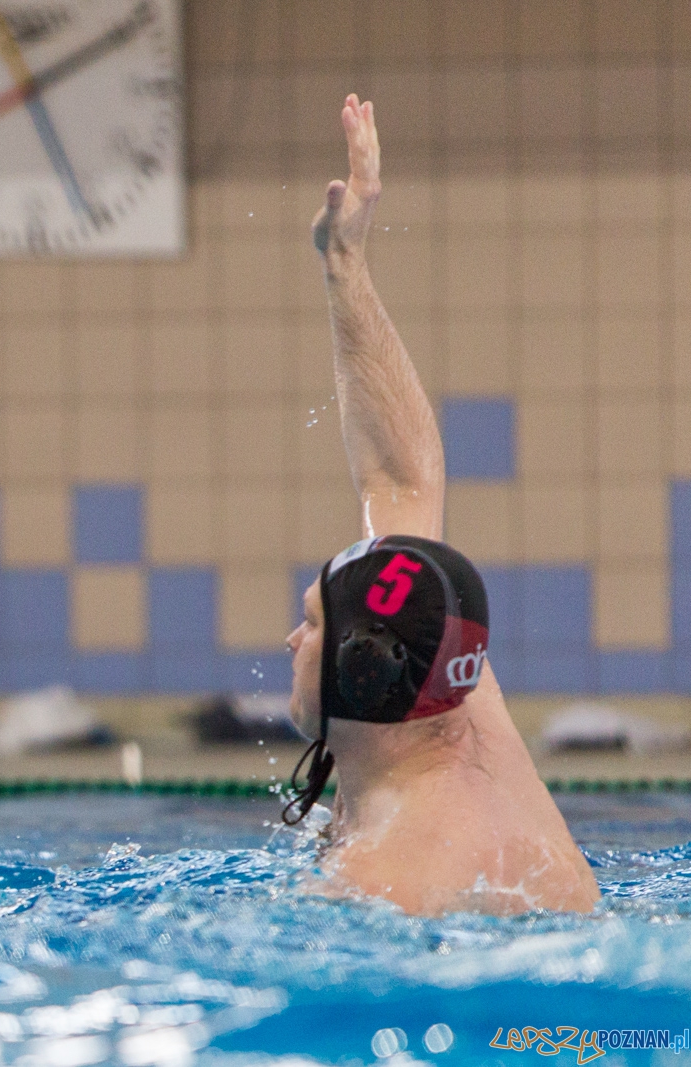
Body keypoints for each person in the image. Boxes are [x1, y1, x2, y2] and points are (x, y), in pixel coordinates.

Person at [283, 95, 599, 915]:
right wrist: (344, 264)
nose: (293, 639)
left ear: (362, 669)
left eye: (312, 623)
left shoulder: (380, 882)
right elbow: (402, 479)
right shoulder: (447, 690)